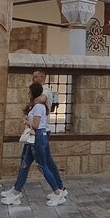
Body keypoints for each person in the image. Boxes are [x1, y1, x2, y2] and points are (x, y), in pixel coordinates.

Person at [1, 82, 66, 207]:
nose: (28, 94)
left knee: (43, 166)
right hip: (37, 138)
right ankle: (16, 192)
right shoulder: (37, 106)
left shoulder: (38, 107)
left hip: (37, 138)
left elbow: (36, 125)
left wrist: (26, 121)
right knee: (25, 164)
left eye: (29, 92)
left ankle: (58, 192)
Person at [31, 70, 66, 205]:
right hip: (38, 133)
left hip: (41, 132)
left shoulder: (44, 90)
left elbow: (43, 99)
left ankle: (59, 190)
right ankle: (59, 188)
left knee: (44, 164)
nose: (33, 79)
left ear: (42, 78)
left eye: (35, 77)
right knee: (44, 162)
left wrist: (30, 101)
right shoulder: (40, 91)